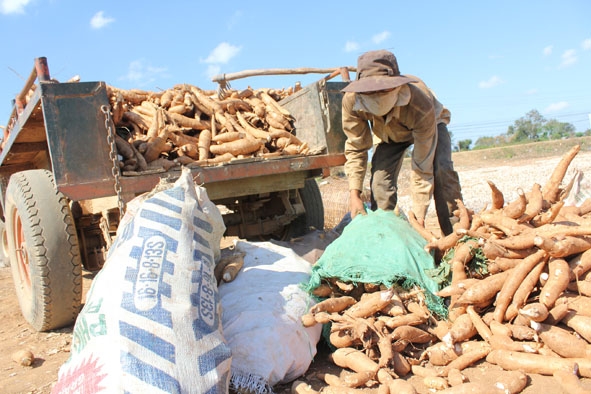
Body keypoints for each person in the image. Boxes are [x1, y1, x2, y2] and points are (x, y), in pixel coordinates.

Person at [341, 49, 463, 235]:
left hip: (431, 125)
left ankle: (456, 235)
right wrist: (354, 194)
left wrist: (419, 216)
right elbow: (356, 147)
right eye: (371, 92)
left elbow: (423, 167)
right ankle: (387, 236)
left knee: (442, 170)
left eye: (384, 91)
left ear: (396, 87)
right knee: (380, 184)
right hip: (387, 135)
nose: (377, 95)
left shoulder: (419, 104)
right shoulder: (352, 102)